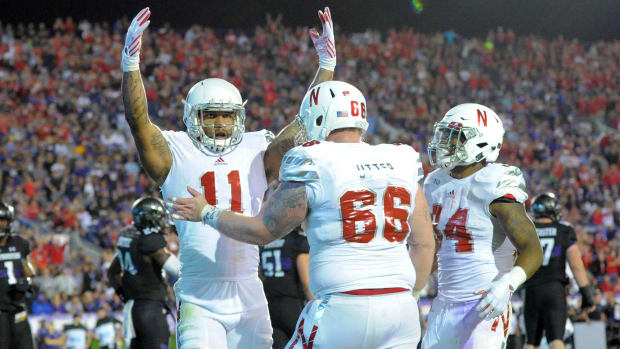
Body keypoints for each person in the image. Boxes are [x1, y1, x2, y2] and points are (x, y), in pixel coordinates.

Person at [120, 6, 337, 348]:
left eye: (227, 115)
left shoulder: (256, 147)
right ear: (192, 117)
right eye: (211, 116)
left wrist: (326, 68)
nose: (221, 123)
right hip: (198, 295)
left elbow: (305, 123)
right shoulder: (175, 151)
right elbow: (138, 121)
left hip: (250, 292)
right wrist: (130, 65)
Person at [169, 79, 436, 348]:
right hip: (402, 313)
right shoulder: (400, 159)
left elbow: (263, 231)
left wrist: (207, 212)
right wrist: (410, 295)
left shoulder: (313, 159)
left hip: (343, 306)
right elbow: (424, 244)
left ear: (318, 117)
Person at [421, 103, 543, 348]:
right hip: (444, 302)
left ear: (481, 142)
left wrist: (507, 285)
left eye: (455, 137)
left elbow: (533, 248)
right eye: (444, 135)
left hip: (484, 302)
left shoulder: (493, 182)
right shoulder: (433, 183)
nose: (444, 142)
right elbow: (433, 246)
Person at [523, 192, 595, 349]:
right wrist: (587, 295)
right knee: (556, 340)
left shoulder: (527, 230)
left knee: (530, 342)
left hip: (531, 289)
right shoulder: (564, 230)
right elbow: (576, 266)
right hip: (554, 290)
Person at [107, 196, 180, 349]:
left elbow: (112, 273)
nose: (163, 221)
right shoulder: (149, 241)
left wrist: (125, 295)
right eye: (160, 218)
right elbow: (178, 269)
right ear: (150, 219)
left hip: (132, 309)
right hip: (150, 310)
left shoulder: (127, 234)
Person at [260, 226, 312, 349]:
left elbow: (260, 275)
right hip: (292, 306)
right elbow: (306, 281)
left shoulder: (264, 242)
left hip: (270, 307)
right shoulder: (297, 242)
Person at [0, 202, 36, 349]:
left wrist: (27, 280)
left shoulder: (20, 243)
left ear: (9, 222)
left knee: (25, 346)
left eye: (2, 221)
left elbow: (30, 269)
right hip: (0, 310)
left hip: (18, 307)